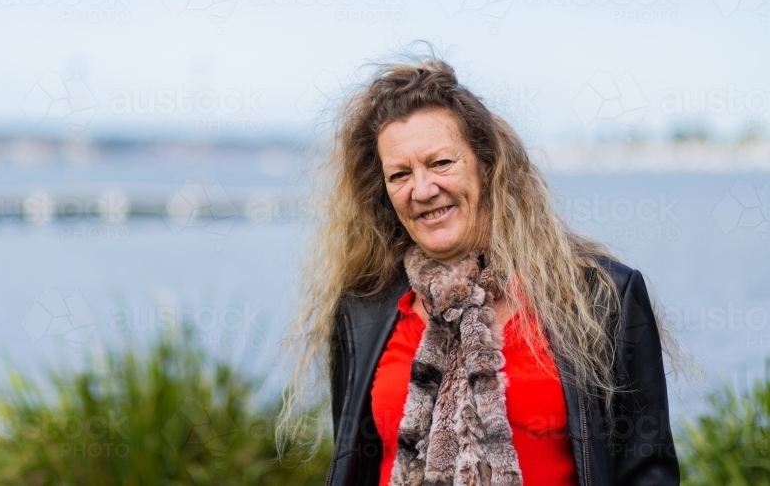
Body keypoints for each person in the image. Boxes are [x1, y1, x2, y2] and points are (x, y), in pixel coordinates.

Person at [279, 58, 678, 486]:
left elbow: (646, 471)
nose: (423, 189)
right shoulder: (363, 312)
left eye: (441, 163)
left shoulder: (600, 298)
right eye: (399, 174)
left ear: (485, 164)